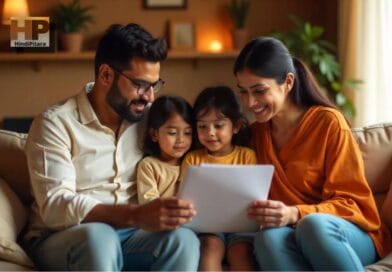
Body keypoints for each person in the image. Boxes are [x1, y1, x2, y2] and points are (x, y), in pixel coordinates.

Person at [24, 23, 200, 271]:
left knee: (183, 241)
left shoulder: (150, 120)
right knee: (99, 238)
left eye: (154, 84)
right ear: (106, 75)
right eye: (140, 84)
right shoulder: (55, 123)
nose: (149, 96)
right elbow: (56, 205)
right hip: (64, 236)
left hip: (131, 236)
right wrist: (135, 215)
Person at [233, 37, 392, 270]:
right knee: (267, 238)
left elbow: (352, 203)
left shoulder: (328, 123)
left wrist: (296, 213)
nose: (250, 103)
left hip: (349, 234)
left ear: (287, 82)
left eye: (259, 91)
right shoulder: (255, 135)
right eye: (243, 92)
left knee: (312, 225)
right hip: (293, 236)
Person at [181, 86, 258, 271]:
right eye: (202, 126)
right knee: (209, 248)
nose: (210, 133)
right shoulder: (193, 159)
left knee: (241, 252)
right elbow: (187, 197)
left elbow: (252, 194)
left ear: (236, 126)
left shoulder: (247, 156)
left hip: (240, 224)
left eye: (219, 125)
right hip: (207, 226)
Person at [137, 95, 194, 204]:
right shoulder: (149, 165)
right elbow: (148, 203)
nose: (181, 140)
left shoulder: (193, 161)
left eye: (188, 133)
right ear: (154, 134)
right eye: (172, 133)